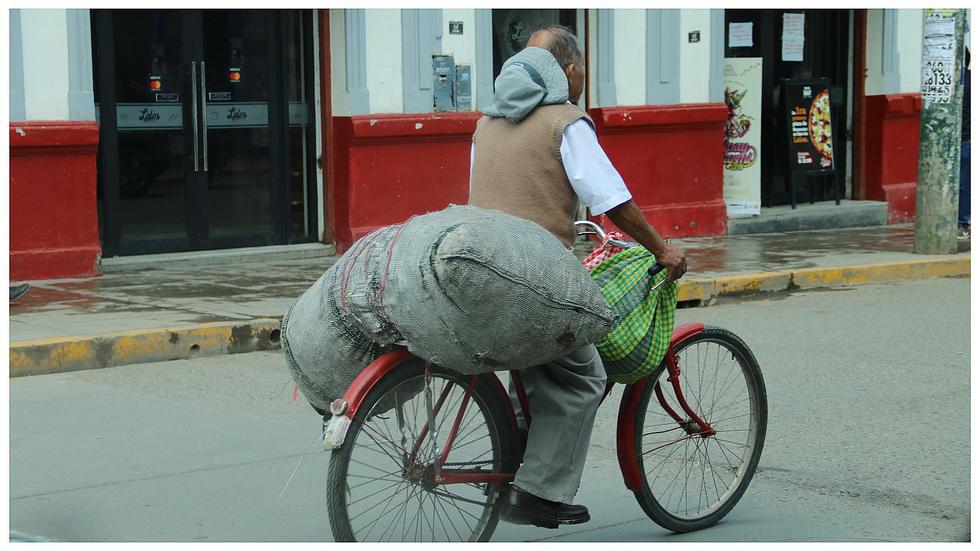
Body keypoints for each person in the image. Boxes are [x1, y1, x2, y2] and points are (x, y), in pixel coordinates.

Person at [467, 26, 687, 529]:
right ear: (568, 72)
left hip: (480, 271)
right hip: (535, 278)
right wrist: (662, 248)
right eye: (581, 69)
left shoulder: (485, 126)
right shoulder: (566, 123)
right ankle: (539, 494)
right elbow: (612, 200)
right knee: (583, 375)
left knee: (539, 367)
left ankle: (521, 467)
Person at [958, 46, 970, 239]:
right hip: (967, 139)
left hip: (962, 139)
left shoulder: (957, 83)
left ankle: (961, 223)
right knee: (965, 185)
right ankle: (961, 223)